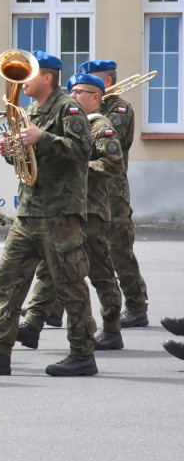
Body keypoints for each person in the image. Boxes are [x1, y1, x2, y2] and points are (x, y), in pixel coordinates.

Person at [0, 51, 97, 377]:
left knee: (70, 284)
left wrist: (42, 137)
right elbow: (30, 161)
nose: (22, 83)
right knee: (8, 280)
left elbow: (82, 150)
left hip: (60, 212)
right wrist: (11, 152)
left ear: (46, 78)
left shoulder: (68, 108)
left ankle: (82, 353)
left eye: (28, 77)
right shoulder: (31, 109)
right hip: (30, 211)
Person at [17, 72, 125, 352]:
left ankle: (112, 329)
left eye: (80, 92)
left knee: (101, 272)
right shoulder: (69, 122)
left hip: (93, 211)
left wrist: (77, 168)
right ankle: (33, 322)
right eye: (71, 91)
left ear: (95, 97)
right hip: (66, 208)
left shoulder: (101, 126)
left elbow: (112, 165)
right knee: (51, 270)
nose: (73, 96)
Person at [79, 59, 148, 328]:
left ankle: (136, 305)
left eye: (90, 78)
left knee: (119, 249)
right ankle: (49, 308)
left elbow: (104, 145)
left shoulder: (118, 110)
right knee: (75, 247)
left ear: (106, 81)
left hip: (112, 191)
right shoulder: (82, 108)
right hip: (87, 188)